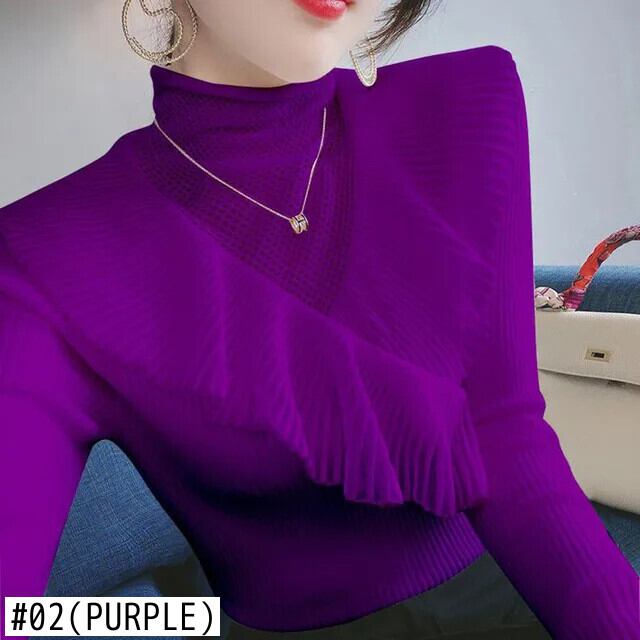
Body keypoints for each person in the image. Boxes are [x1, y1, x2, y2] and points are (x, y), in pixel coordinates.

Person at [1, 1, 638, 639]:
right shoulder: (47, 256)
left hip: (523, 585)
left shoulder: (467, 101)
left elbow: (506, 433)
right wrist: (173, 623)